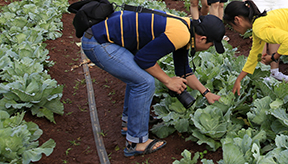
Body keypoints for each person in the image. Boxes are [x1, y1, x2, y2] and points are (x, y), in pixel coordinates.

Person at [81, 10, 226, 157]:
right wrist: (168, 81)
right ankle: (136, 143)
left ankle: (128, 124)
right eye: (211, 45)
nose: (209, 48)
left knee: (138, 77)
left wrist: (206, 93)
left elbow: (184, 72)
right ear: (202, 38)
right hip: (97, 42)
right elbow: (143, 59)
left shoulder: (186, 28)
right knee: (144, 82)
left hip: (99, 36)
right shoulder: (181, 35)